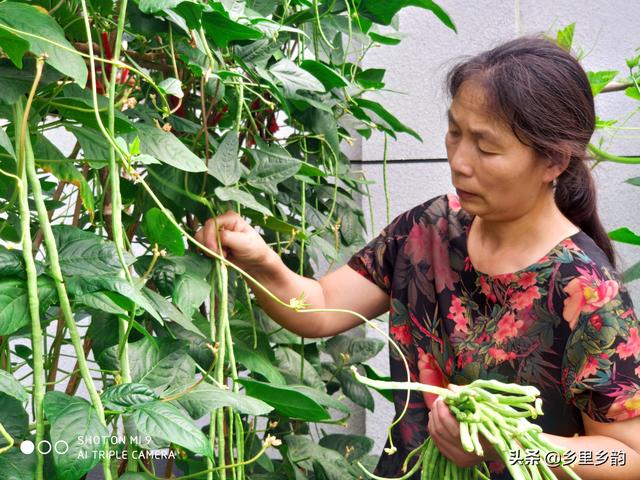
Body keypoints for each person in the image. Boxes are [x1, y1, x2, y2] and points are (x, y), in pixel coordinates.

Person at [195, 35, 640, 479]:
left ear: (554, 162)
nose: (460, 161)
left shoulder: (586, 288)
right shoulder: (428, 228)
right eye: (455, 132)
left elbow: (625, 457)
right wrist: (260, 263)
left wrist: (508, 445)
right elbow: (318, 310)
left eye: (485, 148)